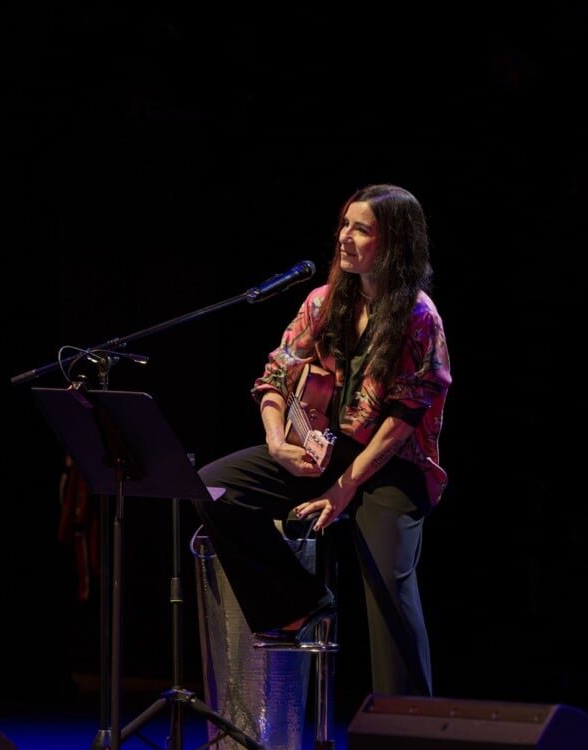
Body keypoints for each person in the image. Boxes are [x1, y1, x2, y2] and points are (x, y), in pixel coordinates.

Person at [193, 183, 451, 698]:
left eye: (361, 229)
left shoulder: (418, 317)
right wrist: (275, 441)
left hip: (392, 462)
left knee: (388, 582)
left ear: (393, 243)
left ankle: (409, 735)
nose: (344, 238)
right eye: (344, 225)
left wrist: (345, 488)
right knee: (210, 487)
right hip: (324, 450)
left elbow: (404, 417)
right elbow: (274, 376)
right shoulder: (323, 302)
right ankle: (298, 602)